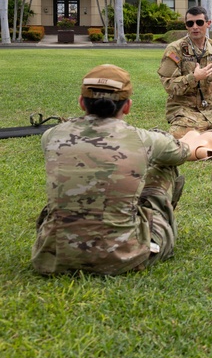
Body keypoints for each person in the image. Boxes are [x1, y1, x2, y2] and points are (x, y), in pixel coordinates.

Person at [32, 64, 200, 275]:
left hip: (53, 257)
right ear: (127, 106)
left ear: (82, 103)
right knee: (165, 165)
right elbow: (180, 153)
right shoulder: (143, 139)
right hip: (124, 257)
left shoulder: (52, 135)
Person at [158, 6, 212, 137]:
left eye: (199, 22)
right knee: (181, 136)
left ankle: (207, 136)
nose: (194, 27)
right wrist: (194, 77)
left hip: (210, 111)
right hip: (183, 111)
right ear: (186, 26)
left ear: (208, 24)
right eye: (190, 23)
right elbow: (170, 86)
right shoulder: (175, 49)